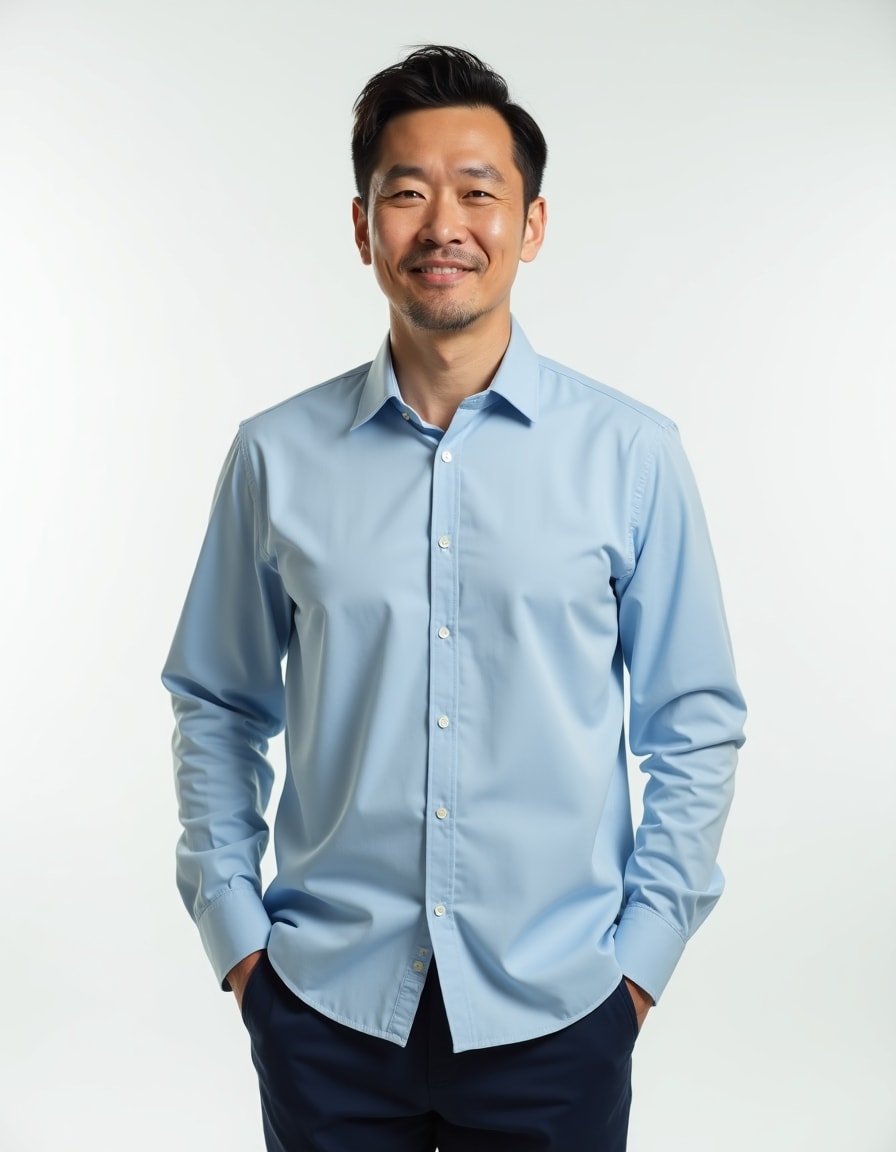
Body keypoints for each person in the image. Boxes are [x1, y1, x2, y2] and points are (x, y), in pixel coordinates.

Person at [162, 44, 746, 1152]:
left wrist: (637, 967)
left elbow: (695, 720)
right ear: (362, 225)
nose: (444, 225)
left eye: (478, 191)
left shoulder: (632, 456)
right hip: (325, 1010)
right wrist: (240, 943)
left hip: (560, 1012)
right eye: (407, 193)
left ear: (531, 224)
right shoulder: (274, 457)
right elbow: (218, 702)